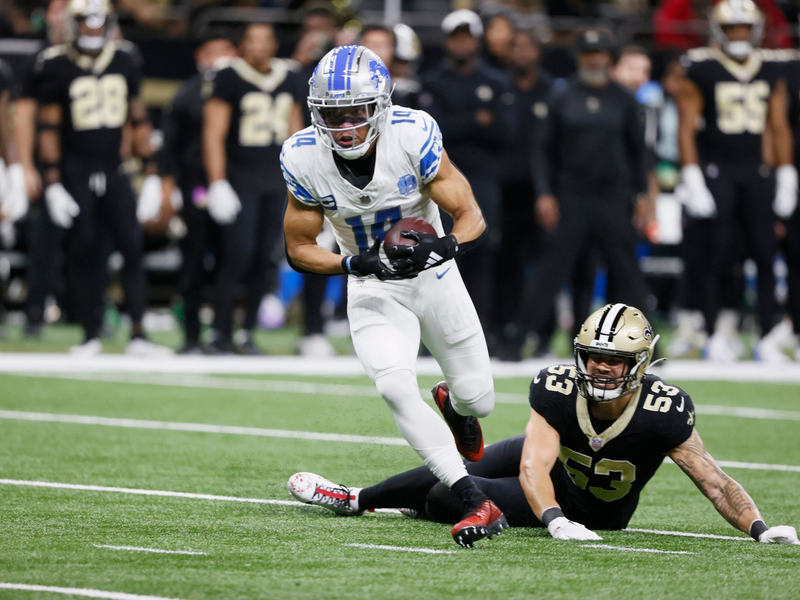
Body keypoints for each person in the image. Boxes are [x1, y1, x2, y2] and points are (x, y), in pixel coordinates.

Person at [289, 304, 799, 546]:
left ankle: (386, 499)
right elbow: (534, 464)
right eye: (594, 356)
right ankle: (355, 498)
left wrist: (758, 527)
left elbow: (713, 480)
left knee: (452, 496)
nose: (601, 367)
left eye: (614, 360)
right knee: (464, 469)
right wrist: (552, 520)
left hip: (592, 509)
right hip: (555, 477)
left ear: (640, 364)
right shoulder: (557, 386)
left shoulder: (663, 409)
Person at [281, 45, 505, 547]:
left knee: (480, 399)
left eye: (356, 111)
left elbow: (472, 216)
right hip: (372, 284)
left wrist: (442, 246)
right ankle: (474, 500)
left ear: (379, 106)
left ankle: (456, 405)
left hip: (434, 277)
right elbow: (297, 246)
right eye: (333, 114)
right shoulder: (302, 155)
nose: (345, 126)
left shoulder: (412, 133)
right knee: (394, 385)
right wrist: (355, 262)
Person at [500, 29, 651, 361]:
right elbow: (541, 151)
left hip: (614, 194)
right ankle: (518, 341)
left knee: (626, 271)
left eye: (599, 54)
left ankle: (643, 346)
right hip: (571, 194)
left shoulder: (624, 100)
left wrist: (643, 197)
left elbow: (640, 152)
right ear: (579, 57)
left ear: (608, 59)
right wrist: (544, 194)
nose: (594, 60)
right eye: (588, 54)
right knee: (548, 271)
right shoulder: (562, 96)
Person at [34, 0, 169, 355]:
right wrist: (51, 183)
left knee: (132, 248)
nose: (92, 29)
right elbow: (47, 128)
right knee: (84, 252)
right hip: (76, 171)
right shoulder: (55, 64)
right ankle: (91, 332)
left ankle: (138, 333)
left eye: (98, 22)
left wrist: (152, 173)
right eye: (85, 22)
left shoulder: (125, 58)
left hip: (116, 169)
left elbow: (139, 119)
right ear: (74, 24)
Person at [676, 0, 796, 362]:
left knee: (764, 254)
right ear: (719, 31)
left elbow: (778, 125)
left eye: (744, 28)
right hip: (717, 169)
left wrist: (786, 172)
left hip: (756, 170)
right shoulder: (701, 67)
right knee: (716, 255)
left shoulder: (772, 68)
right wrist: (692, 174)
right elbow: (686, 127)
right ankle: (714, 333)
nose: (739, 35)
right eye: (732, 29)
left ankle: (768, 334)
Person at [202, 22, 304, 354]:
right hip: (239, 179)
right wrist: (217, 181)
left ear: (275, 44)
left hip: (275, 182)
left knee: (264, 258)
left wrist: (302, 182)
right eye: (252, 40)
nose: (258, 47)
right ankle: (219, 330)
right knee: (236, 256)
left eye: (264, 40)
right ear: (242, 45)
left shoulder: (288, 76)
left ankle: (247, 332)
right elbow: (214, 133)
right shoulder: (229, 76)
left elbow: (297, 135)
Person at [418, 9, 516, 330]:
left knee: (482, 252)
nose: (462, 43)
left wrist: (457, 123)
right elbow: (430, 130)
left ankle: (478, 328)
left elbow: (505, 131)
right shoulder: (432, 80)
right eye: (456, 37)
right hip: (438, 180)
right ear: (447, 41)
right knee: (435, 254)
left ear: (476, 40)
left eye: (467, 36)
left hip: (483, 179)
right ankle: (433, 332)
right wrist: (476, 120)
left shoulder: (496, 81)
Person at [159, 33, 237, 354]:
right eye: (214, 51)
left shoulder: (242, 88)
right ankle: (191, 336)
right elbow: (170, 144)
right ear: (200, 55)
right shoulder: (187, 93)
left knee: (231, 263)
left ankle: (223, 334)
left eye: (226, 50)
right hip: (196, 184)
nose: (220, 57)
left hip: (236, 184)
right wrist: (167, 186)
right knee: (192, 262)